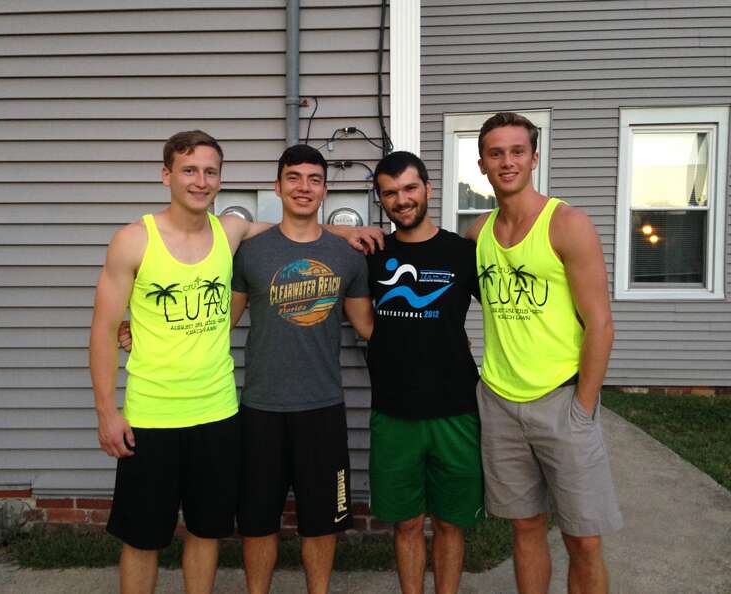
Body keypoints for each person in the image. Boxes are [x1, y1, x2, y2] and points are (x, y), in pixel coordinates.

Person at [90, 131, 380, 594]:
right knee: (145, 538)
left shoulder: (232, 232)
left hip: (223, 413)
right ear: (166, 175)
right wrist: (109, 409)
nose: (200, 181)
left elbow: (301, 238)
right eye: (189, 170)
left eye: (209, 172)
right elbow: (106, 331)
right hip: (157, 415)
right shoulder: (135, 240)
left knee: (208, 533)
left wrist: (346, 232)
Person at [465, 112, 622, 594]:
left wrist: (584, 406)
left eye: (517, 152)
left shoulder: (566, 224)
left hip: (562, 401)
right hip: (499, 402)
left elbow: (600, 323)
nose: (506, 162)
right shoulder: (477, 236)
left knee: (584, 540)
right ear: (482, 164)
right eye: (496, 153)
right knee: (525, 527)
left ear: (534, 158)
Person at [230, 144, 374, 594]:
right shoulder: (249, 252)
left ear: (326, 190)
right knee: (257, 521)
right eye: (294, 178)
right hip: (261, 407)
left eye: (314, 179)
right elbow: (219, 323)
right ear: (277, 186)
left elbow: (369, 326)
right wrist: (148, 330)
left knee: (321, 521)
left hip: (322, 409)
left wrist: (434, 335)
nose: (303, 187)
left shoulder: (347, 255)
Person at [366, 151, 484, 594]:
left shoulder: (462, 253)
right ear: (382, 200)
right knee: (408, 524)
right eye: (391, 193)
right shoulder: (374, 254)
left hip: (456, 408)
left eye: (410, 188)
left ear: (428, 189)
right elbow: (361, 317)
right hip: (394, 411)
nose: (402, 199)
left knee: (452, 524)